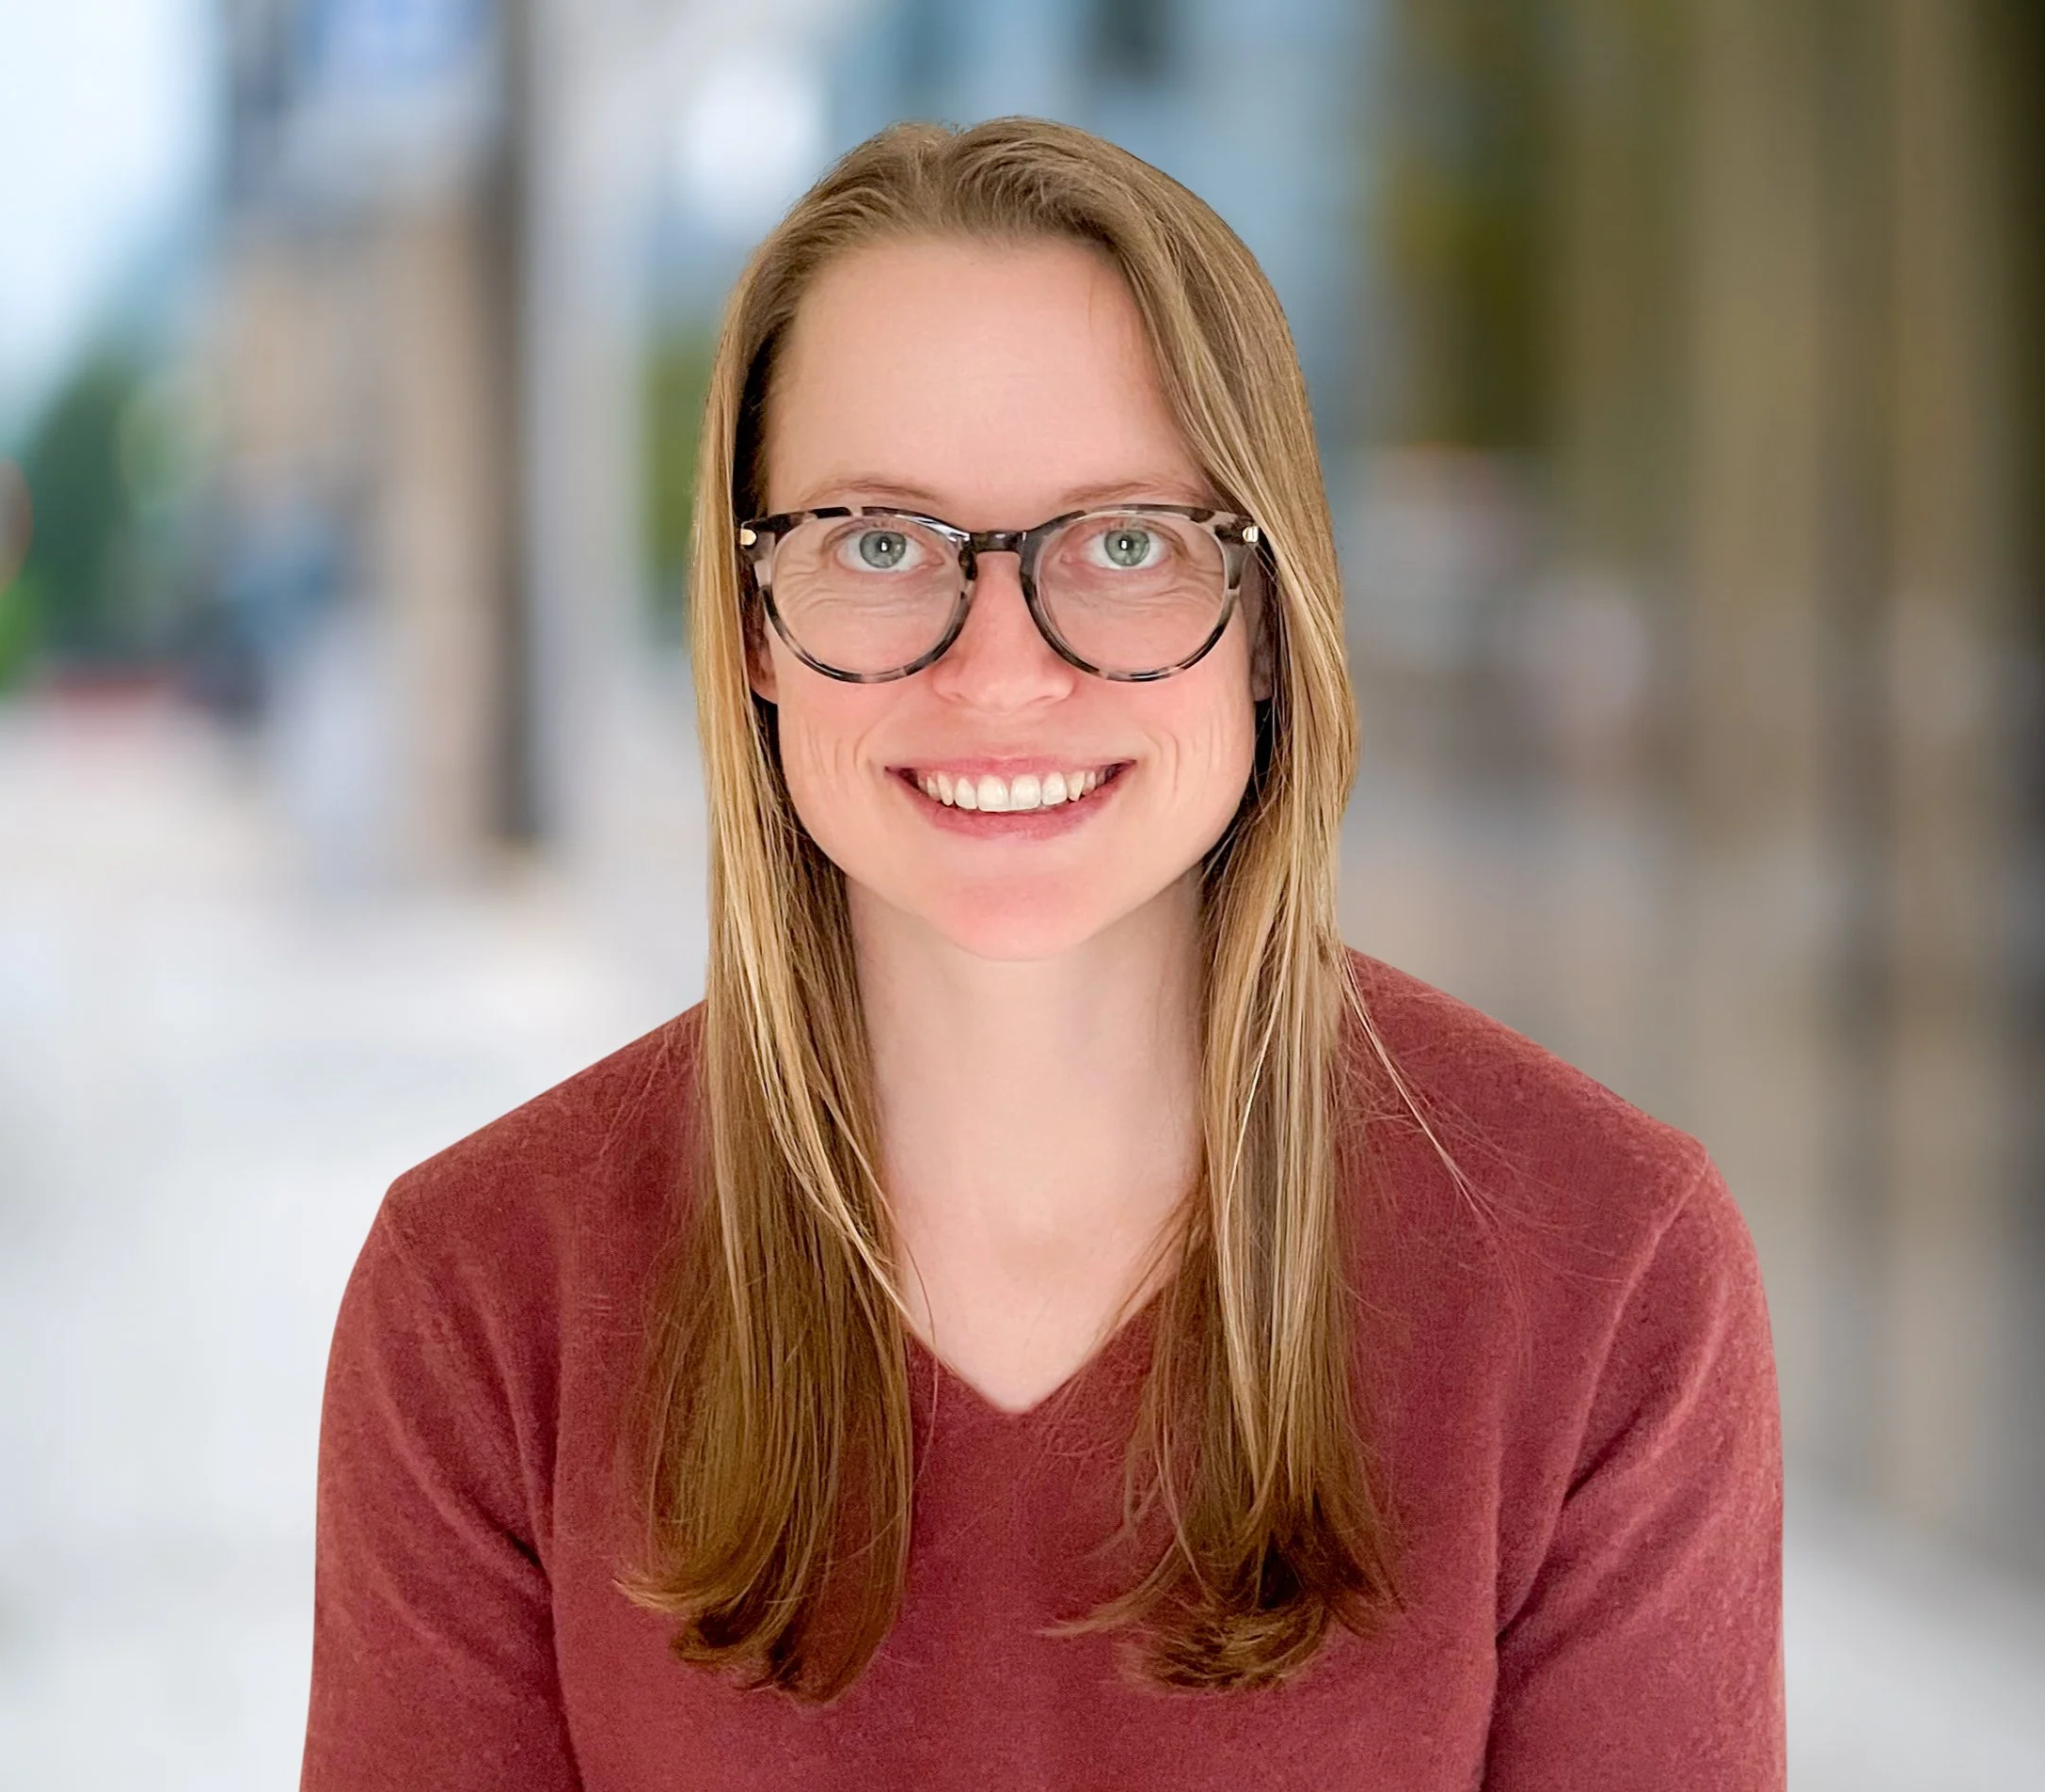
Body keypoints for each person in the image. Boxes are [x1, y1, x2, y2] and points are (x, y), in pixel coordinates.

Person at [301, 118, 1784, 1790]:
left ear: (1273, 619)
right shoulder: (488, 1297)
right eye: (877, 544)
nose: (1000, 672)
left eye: (1129, 542)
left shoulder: (1606, 1273)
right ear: (754, 630)